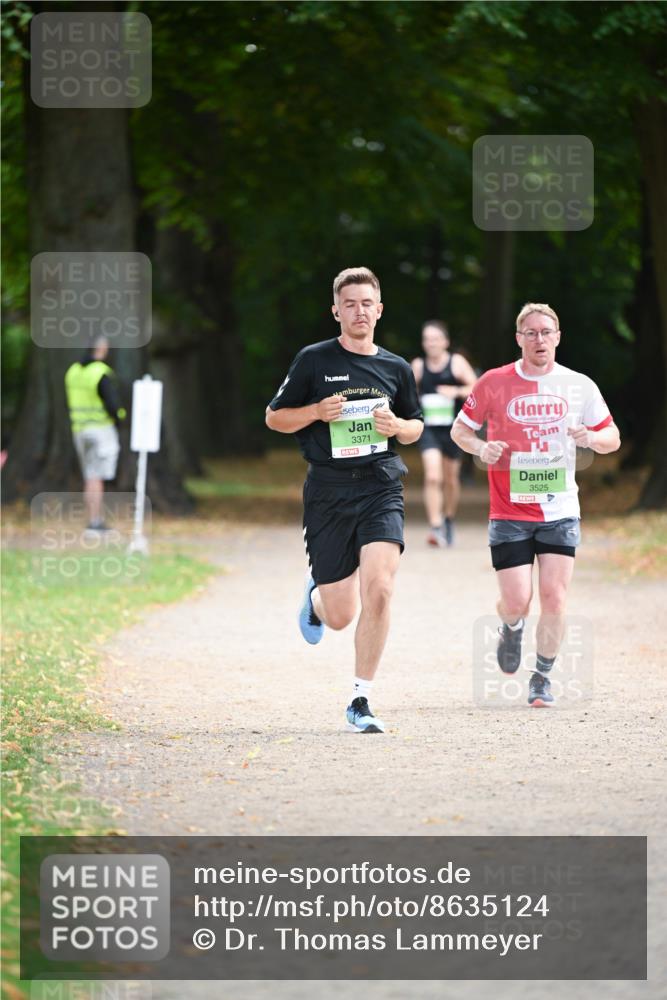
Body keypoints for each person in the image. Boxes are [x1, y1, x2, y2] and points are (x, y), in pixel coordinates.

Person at [265, 267, 423, 733]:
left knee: (381, 589)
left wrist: (398, 426)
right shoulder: (314, 360)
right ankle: (316, 597)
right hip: (329, 492)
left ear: (379, 309)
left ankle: (360, 699)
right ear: (336, 311)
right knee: (339, 616)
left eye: (366, 303)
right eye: (349, 304)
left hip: (380, 486)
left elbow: (415, 425)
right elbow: (275, 418)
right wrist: (316, 411)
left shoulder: (396, 368)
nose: (359, 311)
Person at [450, 302, 620, 707]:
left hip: (560, 510)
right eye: (531, 333)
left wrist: (591, 438)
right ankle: (511, 628)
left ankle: (541, 677)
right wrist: (481, 447)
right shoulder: (493, 382)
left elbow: (612, 436)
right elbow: (460, 430)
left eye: (546, 332)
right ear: (519, 339)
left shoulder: (579, 385)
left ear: (558, 337)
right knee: (516, 602)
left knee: (555, 598)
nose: (539, 339)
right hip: (509, 510)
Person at [411, 321, 477, 546]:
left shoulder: (456, 363)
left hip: (453, 430)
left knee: (450, 479)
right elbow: (406, 391)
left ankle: (448, 518)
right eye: (427, 339)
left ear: (445, 342)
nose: (431, 343)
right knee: (432, 476)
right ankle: (436, 526)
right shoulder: (418, 365)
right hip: (428, 428)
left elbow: (476, 387)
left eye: (435, 339)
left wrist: (455, 391)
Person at [65, 336, 126, 532]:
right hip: (100, 430)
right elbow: (112, 404)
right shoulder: (100, 372)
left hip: (79, 430)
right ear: (101, 349)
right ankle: (95, 522)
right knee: (97, 477)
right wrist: (121, 418)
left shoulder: (73, 372)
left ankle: (93, 519)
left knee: (90, 476)